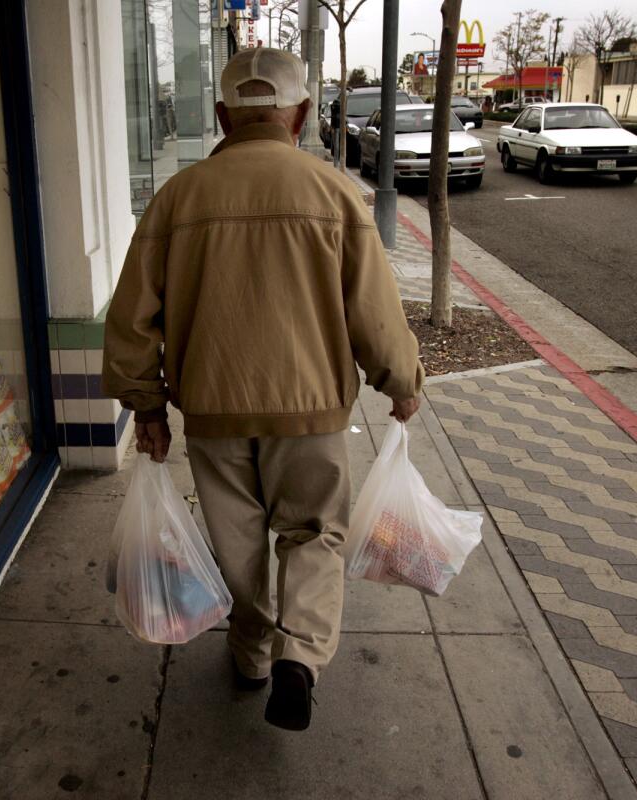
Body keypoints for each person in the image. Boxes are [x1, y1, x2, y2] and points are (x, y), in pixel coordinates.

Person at [102, 47, 423, 732]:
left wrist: (146, 406)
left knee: (236, 543)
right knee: (313, 534)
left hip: (215, 413)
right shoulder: (335, 194)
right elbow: (375, 311)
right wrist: (401, 382)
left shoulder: (176, 200)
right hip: (312, 414)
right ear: (301, 114)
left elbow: (131, 320)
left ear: (222, 116)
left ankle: (251, 656)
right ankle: (300, 658)